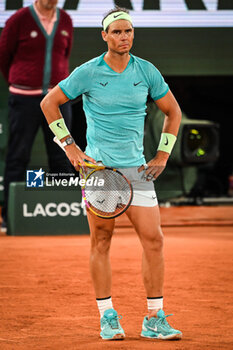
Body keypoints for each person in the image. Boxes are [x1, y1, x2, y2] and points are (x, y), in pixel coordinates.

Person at [41, 6, 182, 341]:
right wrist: (70, 148)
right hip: (100, 173)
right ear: (104, 36)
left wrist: (163, 153)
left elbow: (173, 112)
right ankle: (107, 316)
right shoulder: (88, 72)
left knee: (155, 240)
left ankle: (154, 318)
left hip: (138, 171)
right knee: (101, 241)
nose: (124, 37)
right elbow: (49, 103)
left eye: (128, 31)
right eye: (117, 32)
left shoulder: (146, 71)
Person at [0, 0, 73, 232]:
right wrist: (19, 79)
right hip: (24, 98)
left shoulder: (66, 20)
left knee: (63, 155)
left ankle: (64, 212)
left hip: (58, 101)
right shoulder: (18, 20)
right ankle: (9, 216)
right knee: (17, 155)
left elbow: (65, 54)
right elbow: (4, 56)